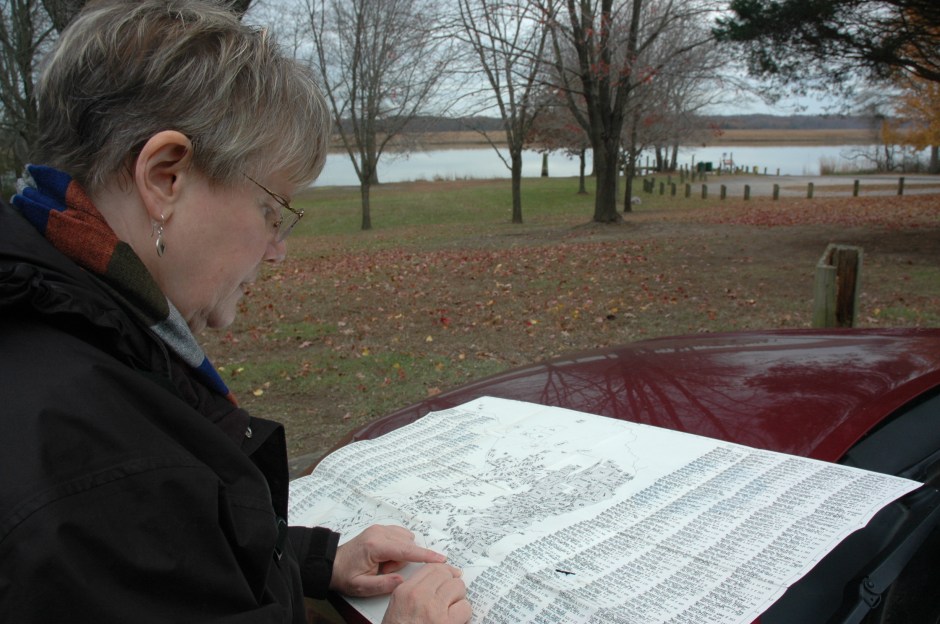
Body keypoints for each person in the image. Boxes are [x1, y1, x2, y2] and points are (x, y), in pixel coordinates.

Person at [0, 1, 471, 623]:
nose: (276, 251)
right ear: (165, 177)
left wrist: (310, 559)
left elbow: (159, 554)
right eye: (272, 211)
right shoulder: (88, 455)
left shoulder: (77, 319)